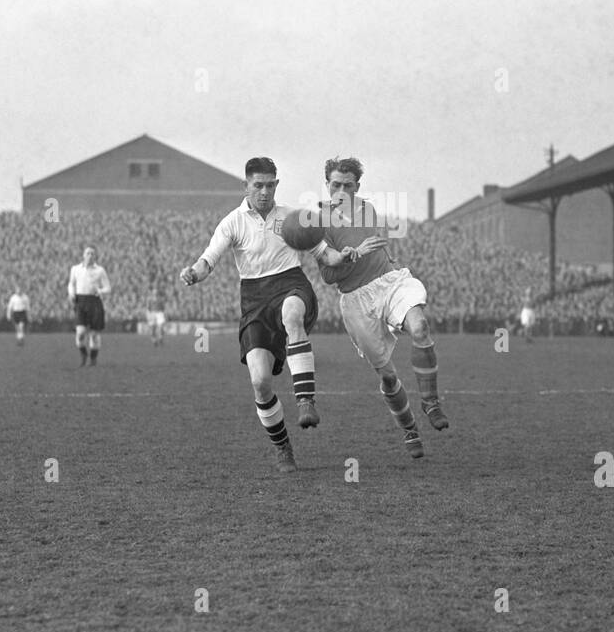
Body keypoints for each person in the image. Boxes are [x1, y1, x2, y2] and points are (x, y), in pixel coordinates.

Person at [178, 157, 357, 474]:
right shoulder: (232, 222)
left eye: (270, 185)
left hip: (291, 284)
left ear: (277, 184)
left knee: (292, 316)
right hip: (255, 300)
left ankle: (305, 401)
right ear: (245, 185)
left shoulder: (292, 217)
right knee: (260, 382)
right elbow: (209, 259)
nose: (264, 191)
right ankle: (283, 448)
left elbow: (324, 254)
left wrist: (341, 257)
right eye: (258, 185)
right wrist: (194, 272)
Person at [315, 157, 450, 459]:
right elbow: (327, 276)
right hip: (357, 301)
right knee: (388, 377)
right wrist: (350, 256)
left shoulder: (368, 208)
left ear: (357, 187)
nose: (340, 190)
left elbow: (376, 250)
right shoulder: (319, 222)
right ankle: (409, 430)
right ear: (327, 185)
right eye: (334, 184)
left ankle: (430, 401)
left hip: (390, 282)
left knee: (420, 326)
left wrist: (366, 253)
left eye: (347, 186)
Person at [68, 246, 111, 366]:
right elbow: (71, 284)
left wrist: (101, 291)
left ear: (95, 256)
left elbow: (108, 288)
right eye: (88, 253)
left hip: (95, 302)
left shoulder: (100, 270)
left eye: (92, 253)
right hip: (80, 301)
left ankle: (93, 357)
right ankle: (83, 353)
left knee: (94, 335)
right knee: (80, 332)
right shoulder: (75, 269)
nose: (90, 255)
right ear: (83, 255)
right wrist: (71, 294)